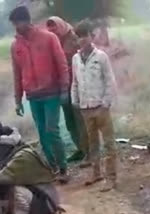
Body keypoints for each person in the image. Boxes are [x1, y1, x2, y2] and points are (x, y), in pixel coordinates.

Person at [9, 6, 70, 182]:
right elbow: (17, 74)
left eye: (17, 23)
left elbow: (61, 64)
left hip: (51, 93)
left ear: (27, 21)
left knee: (52, 130)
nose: (16, 27)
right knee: (42, 134)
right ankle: (52, 168)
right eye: (13, 24)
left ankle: (64, 168)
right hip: (33, 96)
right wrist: (18, 100)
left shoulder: (49, 38)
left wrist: (64, 89)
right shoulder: (16, 46)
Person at [71, 21, 117, 191]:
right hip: (85, 108)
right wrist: (75, 101)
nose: (82, 40)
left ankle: (112, 177)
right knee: (92, 144)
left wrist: (106, 103)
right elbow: (75, 83)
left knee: (109, 143)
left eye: (85, 35)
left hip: (100, 107)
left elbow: (110, 80)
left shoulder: (101, 56)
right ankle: (96, 173)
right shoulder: (75, 59)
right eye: (78, 37)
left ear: (92, 36)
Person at [46, 16, 89, 163]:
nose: (53, 31)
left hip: (77, 86)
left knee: (80, 119)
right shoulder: (52, 41)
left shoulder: (74, 38)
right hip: (62, 88)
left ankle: (88, 151)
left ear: (61, 25)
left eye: (55, 27)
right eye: (50, 29)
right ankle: (80, 149)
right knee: (70, 121)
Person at [0, 123, 61, 214]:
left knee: (11, 189)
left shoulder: (19, 155)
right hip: (37, 199)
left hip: (44, 202)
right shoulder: (8, 145)